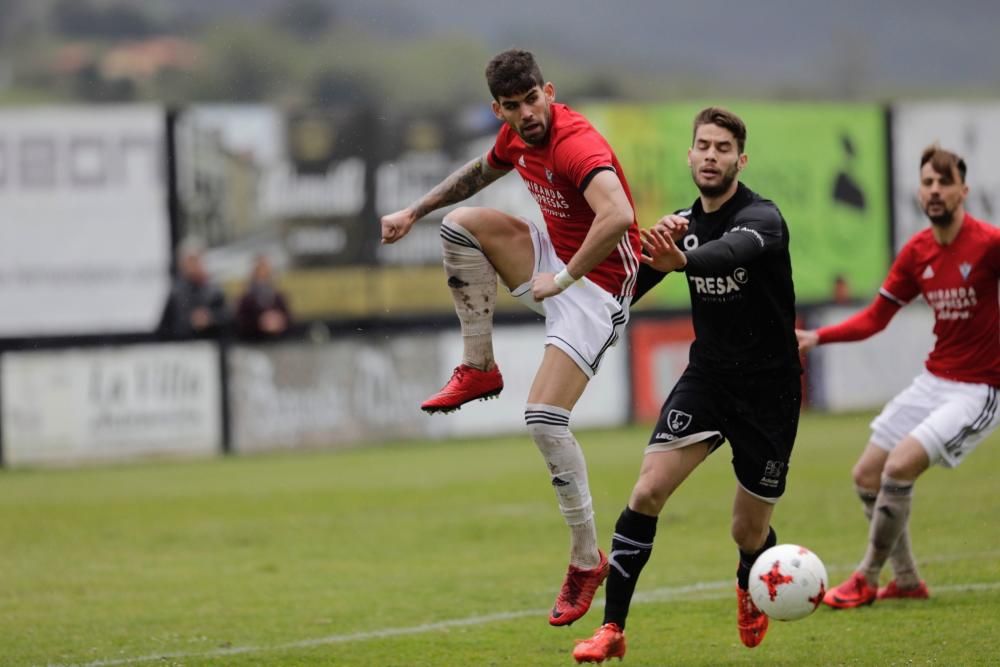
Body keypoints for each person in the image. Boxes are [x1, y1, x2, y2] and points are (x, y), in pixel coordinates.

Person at [380, 48, 640, 627]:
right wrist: (413, 210)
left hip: (597, 287)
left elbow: (619, 215)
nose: (526, 114)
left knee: (544, 419)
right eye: (513, 106)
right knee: (459, 225)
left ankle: (584, 560)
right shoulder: (515, 138)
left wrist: (565, 279)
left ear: (549, 90)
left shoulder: (575, 143)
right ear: (497, 109)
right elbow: (477, 175)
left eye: (532, 100)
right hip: (554, 261)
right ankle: (479, 367)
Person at [573, 107, 802, 662]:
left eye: (723, 148)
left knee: (747, 532)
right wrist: (565, 289)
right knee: (647, 491)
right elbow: (624, 285)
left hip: (769, 393)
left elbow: (734, 250)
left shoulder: (763, 218)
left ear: (740, 160)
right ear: (690, 154)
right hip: (709, 381)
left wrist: (683, 259)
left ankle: (750, 581)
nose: (711, 156)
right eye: (703, 145)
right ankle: (613, 630)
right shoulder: (679, 224)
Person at [796, 144, 1000, 609]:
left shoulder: (988, 243)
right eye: (927, 182)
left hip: (979, 389)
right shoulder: (917, 251)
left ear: (963, 191)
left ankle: (866, 576)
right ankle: (906, 579)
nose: (934, 191)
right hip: (934, 380)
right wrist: (818, 338)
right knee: (867, 473)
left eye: (944, 183)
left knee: (899, 465)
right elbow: (875, 318)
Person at [160, 237, 229, 340]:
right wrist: (189, 323)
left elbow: (228, 320)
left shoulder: (214, 291)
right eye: (189, 261)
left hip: (210, 347)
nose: (193, 265)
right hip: (186, 349)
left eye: (195, 260)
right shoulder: (176, 294)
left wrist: (210, 318)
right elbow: (166, 328)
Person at [235, 254, 292, 341]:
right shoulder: (246, 299)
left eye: (266, 269)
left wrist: (279, 320)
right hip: (255, 342)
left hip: (279, 342)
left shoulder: (278, 297)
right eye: (260, 269)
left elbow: (289, 318)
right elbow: (240, 322)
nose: (264, 272)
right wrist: (260, 322)